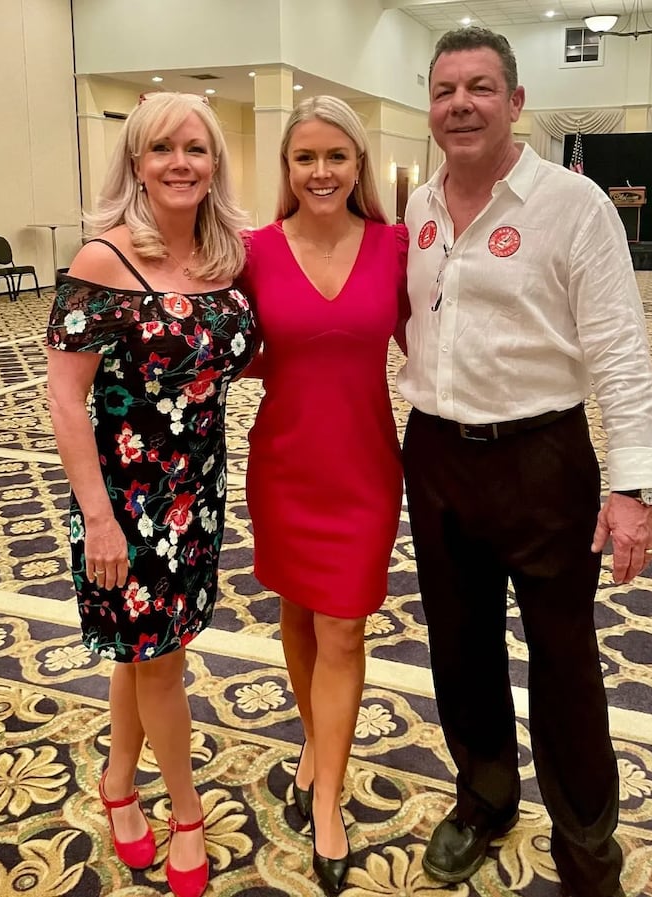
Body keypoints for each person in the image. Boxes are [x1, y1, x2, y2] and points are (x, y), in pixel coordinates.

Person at [398, 27, 652, 897]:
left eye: (480, 87)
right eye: (445, 90)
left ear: (516, 103)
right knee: (459, 647)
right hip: (437, 455)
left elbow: (619, 348)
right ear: (430, 109)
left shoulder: (572, 203)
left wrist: (632, 487)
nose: (460, 103)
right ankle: (484, 797)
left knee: (563, 658)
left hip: (544, 459)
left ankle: (588, 844)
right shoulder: (420, 207)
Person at [45, 91, 256, 897]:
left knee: (147, 652)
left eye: (196, 149)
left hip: (197, 491)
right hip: (125, 503)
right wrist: (97, 518)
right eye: (163, 148)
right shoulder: (105, 260)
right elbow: (66, 398)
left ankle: (117, 780)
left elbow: (231, 356)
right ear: (136, 161)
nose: (180, 163)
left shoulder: (222, 256)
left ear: (214, 163)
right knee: (163, 661)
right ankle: (186, 811)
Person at [239, 95, 408, 895]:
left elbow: (445, 346)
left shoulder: (395, 246)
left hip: (366, 468)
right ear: (286, 168)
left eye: (335, 156)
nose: (320, 172)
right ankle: (315, 738)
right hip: (285, 465)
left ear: (358, 164)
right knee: (299, 611)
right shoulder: (254, 251)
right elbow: (216, 343)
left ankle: (330, 794)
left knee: (345, 626)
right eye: (304, 158)